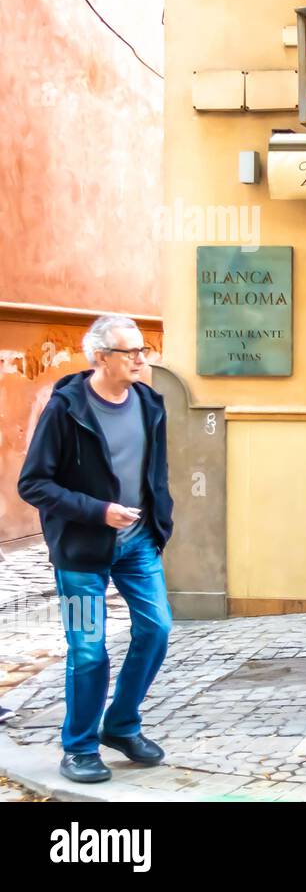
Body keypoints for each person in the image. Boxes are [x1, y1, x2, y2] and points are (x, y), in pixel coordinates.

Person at [17, 315, 174, 784]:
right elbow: (34, 483)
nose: (142, 359)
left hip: (138, 544)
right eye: (132, 352)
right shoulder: (66, 409)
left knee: (157, 628)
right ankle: (80, 747)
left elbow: (155, 470)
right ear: (102, 357)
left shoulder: (150, 403)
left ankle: (121, 725)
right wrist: (97, 511)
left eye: (143, 350)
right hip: (80, 554)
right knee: (87, 649)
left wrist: (159, 515)